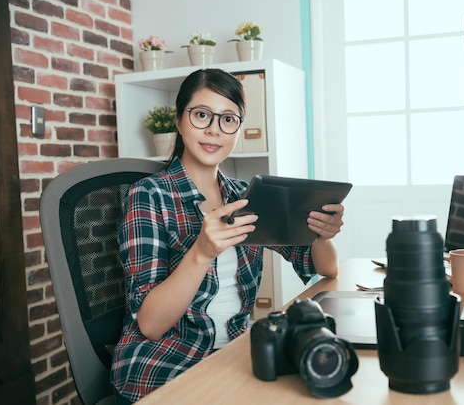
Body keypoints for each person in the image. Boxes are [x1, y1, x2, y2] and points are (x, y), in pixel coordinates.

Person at [111, 68, 345, 403]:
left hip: (235, 351)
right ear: (179, 121)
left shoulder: (246, 196)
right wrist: (201, 252)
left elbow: (326, 268)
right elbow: (150, 325)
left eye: (228, 119)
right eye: (202, 115)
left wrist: (323, 235)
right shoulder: (148, 196)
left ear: (238, 128)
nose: (213, 130)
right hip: (165, 360)